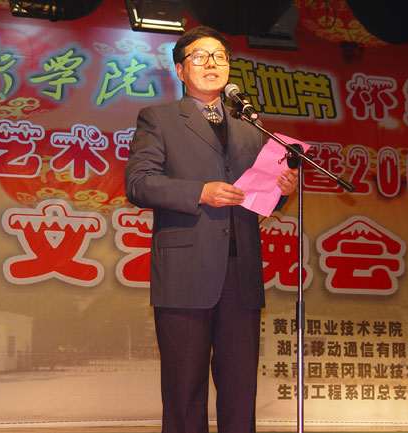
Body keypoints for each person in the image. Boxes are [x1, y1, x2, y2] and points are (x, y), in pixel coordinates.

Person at [124, 25, 298, 433]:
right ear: (180, 70)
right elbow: (139, 183)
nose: (212, 64)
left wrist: (282, 190)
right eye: (200, 57)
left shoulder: (250, 126)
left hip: (241, 272)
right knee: (185, 386)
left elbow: (257, 196)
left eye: (220, 56)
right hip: (186, 269)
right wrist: (198, 192)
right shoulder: (159, 119)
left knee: (240, 386)